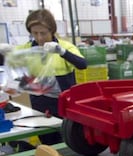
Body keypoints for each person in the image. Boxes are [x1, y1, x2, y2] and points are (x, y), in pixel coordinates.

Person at [14, 9, 86, 145]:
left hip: (64, 106)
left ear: (52, 30)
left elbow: (82, 64)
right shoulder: (26, 50)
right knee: (48, 143)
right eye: (35, 33)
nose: (39, 38)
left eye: (43, 33)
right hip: (40, 106)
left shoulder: (65, 47)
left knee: (71, 141)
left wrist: (62, 52)